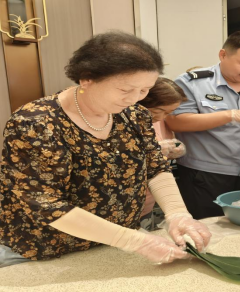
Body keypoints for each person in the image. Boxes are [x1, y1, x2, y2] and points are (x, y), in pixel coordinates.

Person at [0, 32, 211, 268]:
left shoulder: (135, 115)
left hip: (114, 244)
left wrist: (177, 214)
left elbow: (155, 166)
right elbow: (44, 202)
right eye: (125, 90)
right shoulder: (36, 122)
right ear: (87, 79)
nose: (134, 99)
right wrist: (135, 241)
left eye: (144, 90)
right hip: (44, 249)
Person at [165, 30, 240, 219]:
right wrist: (231, 115)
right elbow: (175, 121)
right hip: (204, 172)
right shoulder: (192, 82)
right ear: (223, 55)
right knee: (207, 226)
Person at [138, 77, 188, 218]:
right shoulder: (122, 121)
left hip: (148, 200)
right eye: (159, 110)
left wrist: (176, 147)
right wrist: (154, 149)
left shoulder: (157, 122)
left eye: (168, 113)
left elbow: (173, 142)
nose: (161, 117)